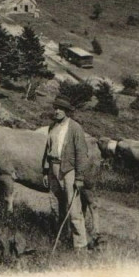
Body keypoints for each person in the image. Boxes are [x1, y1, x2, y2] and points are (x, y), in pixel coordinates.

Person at [41, 96, 89, 251]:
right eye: (55, 108)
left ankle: (80, 245)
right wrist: (45, 171)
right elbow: (47, 150)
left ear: (67, 111)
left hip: (68, 170)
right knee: (56, 206)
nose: (57, 111)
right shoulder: (52, 127)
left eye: (60, 109)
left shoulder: (75, 128)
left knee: (73, 208)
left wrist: (79, 177)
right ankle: (62, 237)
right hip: (53, 168)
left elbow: (81, 153)